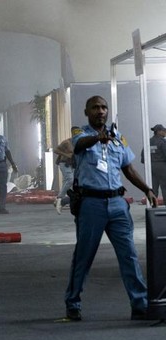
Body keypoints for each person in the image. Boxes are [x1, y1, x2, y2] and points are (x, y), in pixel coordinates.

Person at [63, 95, 157, 321]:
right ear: (87, 112)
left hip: (117, 204)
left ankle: (140, 304)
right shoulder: (80, 134)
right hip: (91, 204)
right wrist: (97, 138)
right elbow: (79, 146)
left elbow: (129, 169)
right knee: (84, 256)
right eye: (95, 107)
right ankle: (73, 302)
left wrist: (147, 189)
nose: (100, 111)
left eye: (104, 107)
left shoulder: (119, 139)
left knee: (129, 256)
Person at [53, 126, 82, 214]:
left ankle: (63, 201)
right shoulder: (67, 142)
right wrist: (66, 154)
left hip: (72, 165)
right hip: (64, 163)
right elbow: (56, 150)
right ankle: (59, 198)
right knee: (70, 180)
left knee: (72, 182)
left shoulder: (79, 143)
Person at [146, 124, 166, 198]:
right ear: (159, 132)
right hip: (162, 167)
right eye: (164, 131)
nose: (165, 132)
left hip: (151, 167)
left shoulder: (148, 142)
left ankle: (154, 206)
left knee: (153, 188)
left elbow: (143, 156)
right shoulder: (163, 142)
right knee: (165, 187)